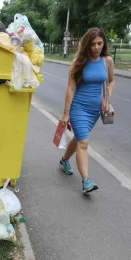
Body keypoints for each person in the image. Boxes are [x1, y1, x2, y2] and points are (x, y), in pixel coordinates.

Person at [59, 27, 115, 194]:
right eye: (92, 44)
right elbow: (70, 89)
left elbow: (111, 81)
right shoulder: (78, 63)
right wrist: (66, 113)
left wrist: (107, 98)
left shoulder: (107, 61)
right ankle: (86, 181)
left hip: (94, 111)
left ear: (103, 43)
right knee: (83, 142)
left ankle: (64, 160)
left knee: (78, 139)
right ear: (87, 45)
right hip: (78, 108)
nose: (96, 47)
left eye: (99, 43)